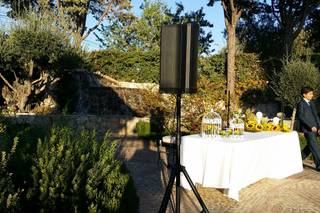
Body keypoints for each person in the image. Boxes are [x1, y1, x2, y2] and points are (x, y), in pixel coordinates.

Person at [297, 86, 320, 171]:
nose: (312, 95)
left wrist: (319, 127)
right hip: (308, 129)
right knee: (314, 146)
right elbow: (301, 117)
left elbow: (316, 116)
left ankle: (297, 159)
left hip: (315, 128)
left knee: (310, 147)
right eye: (310, 94)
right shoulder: (301, 104)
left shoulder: (312, 103)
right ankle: (319, 165)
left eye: (312, 93)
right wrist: (311, 126)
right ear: (304, 95)